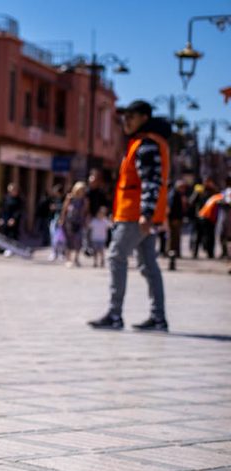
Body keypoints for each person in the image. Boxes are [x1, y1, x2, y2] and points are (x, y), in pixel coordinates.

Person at [89, 100, 170, 332]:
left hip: (135, 215)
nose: (125, 121)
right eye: (124, 117)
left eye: (131, 117)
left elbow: (151, 182)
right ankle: (158, 317)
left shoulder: (145, 145)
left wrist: (146, 212)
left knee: (116, 257)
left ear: (144, 117)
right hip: (138, 214)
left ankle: (115, 315)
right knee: (148, 265)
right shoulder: (144, 143)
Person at [58, 181, 89, 268]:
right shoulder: (70, 197)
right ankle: (68, 259)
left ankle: (76, 259)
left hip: (79, 222)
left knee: (78, 240)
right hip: (69, 221)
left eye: (83, 190)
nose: (82, 191)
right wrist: (62, 219)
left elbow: (85, 212)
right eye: (80, 189)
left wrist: (86, 221)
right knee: (69, 241)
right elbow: (64, 209)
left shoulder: (84, 200)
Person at [190, 178, 218, 259]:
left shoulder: (213, 192)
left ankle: (210, 253)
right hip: (200, 217)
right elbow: (192, 202)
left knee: (210, 236)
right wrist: (196, 193)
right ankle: (195, 253)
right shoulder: (200, 191)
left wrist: (214, 189)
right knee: (197, 236)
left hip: (210, 218)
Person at [165, 179, 190, 260]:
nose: (184, 189)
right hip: (174, 218)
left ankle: (175, 252)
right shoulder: (174, 194)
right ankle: (172, 252)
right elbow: (171, 207)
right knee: (173, 236)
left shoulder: (178, 194)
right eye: (182, 187)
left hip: (177, 218)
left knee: (176, 236)